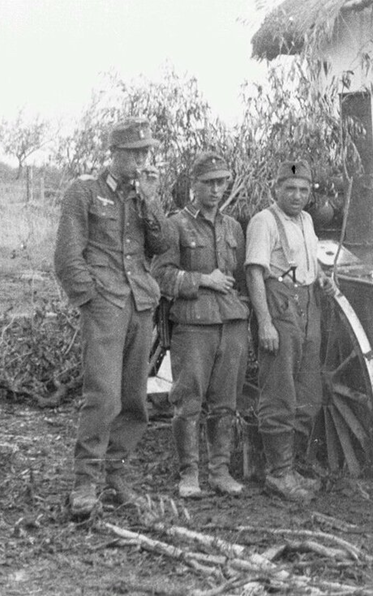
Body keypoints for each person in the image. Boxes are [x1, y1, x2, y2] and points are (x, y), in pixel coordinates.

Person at [54, 117, 172, 516]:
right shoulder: (84, 191)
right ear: (114, 154)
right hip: (105, 305)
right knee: (103, 396)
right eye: (134, 153)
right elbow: (68, 256)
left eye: (146, 153)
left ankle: (116, 476)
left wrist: (151, 201)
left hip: (140, 303)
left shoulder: (142, 197)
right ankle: (85, 483)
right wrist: (91, 299)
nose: (141, 161)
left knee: (135, 400)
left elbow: (161, 245)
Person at [152, 152, 249, 499]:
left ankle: (220, 472)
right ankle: (189, 475)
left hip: (231, 325)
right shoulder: (175, 225)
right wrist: (203, 280)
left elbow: (242, 279)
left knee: (226, 403)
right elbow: (160, 276)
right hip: (193, 325)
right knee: (188, 402)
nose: (216, 189)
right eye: (208, 183)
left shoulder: (233, 227)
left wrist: (244, 311)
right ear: (193, 185)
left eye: (222, 182)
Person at [244, 161, 333, 503]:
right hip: (279, 306)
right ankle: (278, 473)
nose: (297, 196)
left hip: (308, 303)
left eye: (304, 190)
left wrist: (320, 276)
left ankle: (293, 467)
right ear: (276, 188)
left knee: (309, 390)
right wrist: (264, 321)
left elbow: (308, 259)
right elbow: (255, 274)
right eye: (290, 189)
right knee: (280, 390)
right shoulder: (263, 222)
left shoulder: (307, 220)